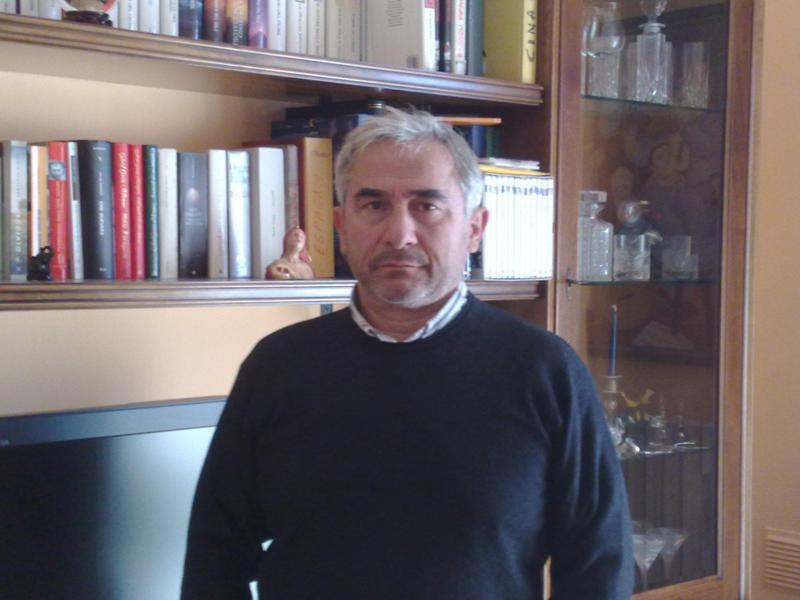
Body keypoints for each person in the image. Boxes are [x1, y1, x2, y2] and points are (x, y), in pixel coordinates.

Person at [181, 107, 633, 599]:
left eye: (427, 206)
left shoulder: (544, 371)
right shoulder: (278, 366)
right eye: (374, 205)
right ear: (341, 226)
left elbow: (597, 566)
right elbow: (214, 553)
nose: (399, 235)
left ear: (475, 228)